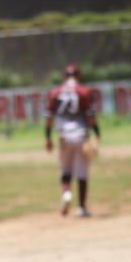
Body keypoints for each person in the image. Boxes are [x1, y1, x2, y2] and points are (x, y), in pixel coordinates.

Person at [45, 63, 100, 218]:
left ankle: (66, 193)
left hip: (63, 135)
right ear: (79, 76)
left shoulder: (55, 92)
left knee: (65, 169)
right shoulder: (84, 91)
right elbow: (91, 116)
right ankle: (82, 207)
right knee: (82, 171)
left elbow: (49, 117)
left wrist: (47, 137)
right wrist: (97, 133)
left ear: (65, 76)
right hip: (81, 134)